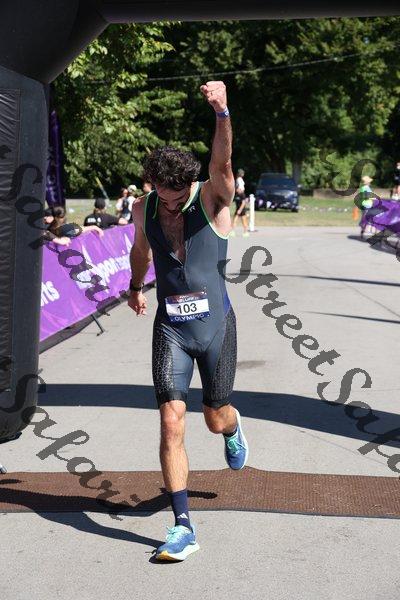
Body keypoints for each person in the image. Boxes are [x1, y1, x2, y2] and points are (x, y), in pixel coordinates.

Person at [128, 80, 249, 563]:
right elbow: (141, 250)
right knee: (170, 421)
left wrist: (222, 112)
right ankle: (182, 526)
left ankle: (233, 426)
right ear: (153, 185)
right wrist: (135, 286)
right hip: (171, 330)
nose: (173, 205)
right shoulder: (144, 208)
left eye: (179, 197)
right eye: (165, 196)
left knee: (215, 417)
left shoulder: (212, 197)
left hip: (216, 326)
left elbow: (222, 163)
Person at [231, 168, 249, 237]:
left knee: (243, 220)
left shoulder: (242, 194)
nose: (237, 189)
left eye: (237, 188)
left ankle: (246, 232)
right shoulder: (236, 194)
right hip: (238, 208)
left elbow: (244, 203)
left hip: (241, 208)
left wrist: (240, 210)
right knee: (235, 219)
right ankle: (232, 231)